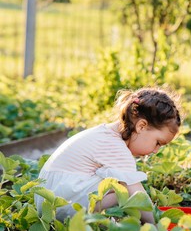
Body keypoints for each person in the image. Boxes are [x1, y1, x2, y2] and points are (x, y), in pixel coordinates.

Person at [35, 87, 181, 223]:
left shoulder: (105, 134)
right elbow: (138, 194)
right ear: (141, 126)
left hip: (49, 201)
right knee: (124, 188)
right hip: (60, 206)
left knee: (119, 184)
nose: (156, 151)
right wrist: (155, 226)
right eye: (158, 143)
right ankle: (89, 222)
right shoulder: (116, 148)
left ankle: (97, 221)